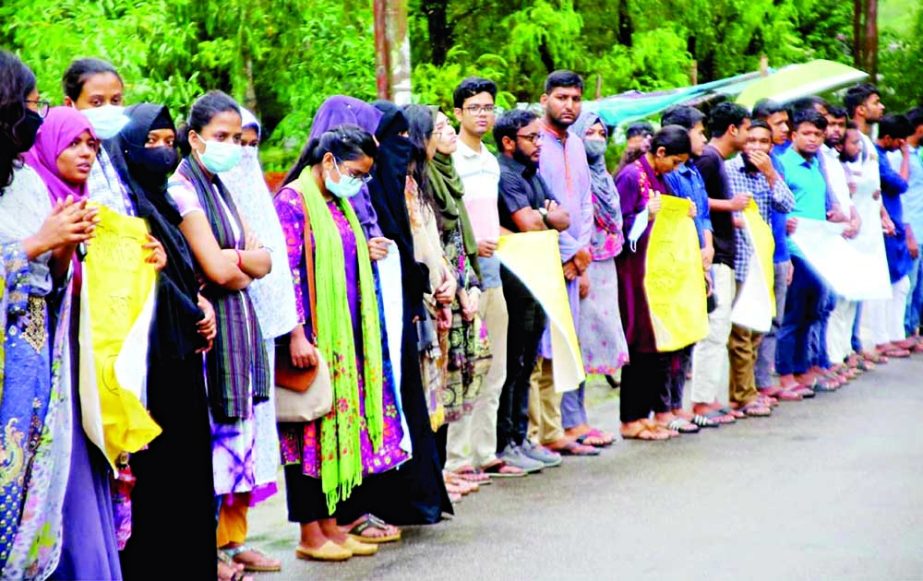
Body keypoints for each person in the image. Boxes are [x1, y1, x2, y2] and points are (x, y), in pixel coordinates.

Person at [274, 125, 409, 561]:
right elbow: (287, 272)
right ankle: (309, 536)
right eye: (356, 172)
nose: (360, 182)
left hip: (345, 337)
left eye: (366, 176)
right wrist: (296, 333)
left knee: (334, 429)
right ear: (328, 161)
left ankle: (331, 527)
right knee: (308, 433)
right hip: (312, 338)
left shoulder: (338, 203)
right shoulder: (293, 202)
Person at [167, 91, 279, 573]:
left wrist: (234, 261)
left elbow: (265, 260)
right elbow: (214, 266)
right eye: (220, 137)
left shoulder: (223, 186)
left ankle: (230, 542)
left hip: (238, 325)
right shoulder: (183, 188)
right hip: (211, 335)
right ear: (193, 138)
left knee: (236, 440)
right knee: (214, 443)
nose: (232, 146)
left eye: (237, 138)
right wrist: (237, 259)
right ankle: (207, 550)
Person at [108, 103, 220, 580]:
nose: (161, 150)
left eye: (167, 141)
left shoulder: (164, 202)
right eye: (149, 141)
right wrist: (191, 306)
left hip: (181, 353)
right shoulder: (122, 206)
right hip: (148, 360)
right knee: (159, 479)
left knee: (189, 470)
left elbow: (178, 269)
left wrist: (199, 302)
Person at [0, 52, 98, 580]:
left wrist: (64, 242)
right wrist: (39, 242)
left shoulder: (24, 181)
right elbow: (25, 249)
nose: (33, 117)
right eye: (29, 104)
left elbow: (51, 281)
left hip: (36, 360)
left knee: (35, 475)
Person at [22, 106, 123, 580]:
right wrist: (59, 245)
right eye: (74, 143)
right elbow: (49, 286)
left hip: (86, 361)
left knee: (90, 477)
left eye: (92, 145)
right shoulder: (34, 199)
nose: (85, 153)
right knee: (67, 482)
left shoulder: (85, 204)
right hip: (50, 365)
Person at [358, 100, 453, 525]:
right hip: (383, 313)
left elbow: (420, 244)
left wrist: (433, 282)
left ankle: (422, 491)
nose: (399, 149)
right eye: (390, 139)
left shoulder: (406, 182)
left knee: (419, 400)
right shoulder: (365, 186)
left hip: (413, 302)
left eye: (402, 139)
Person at [220, 107, 295, 514]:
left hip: (260, 329)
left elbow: (269, 261)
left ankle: (237, 538)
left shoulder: (256, 194)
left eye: (250, 145)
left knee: (254, 429)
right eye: (233, 142)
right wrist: (247, 258)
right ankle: (220, 543)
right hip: (225, 327)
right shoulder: (199, 193)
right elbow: (229, 261)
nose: (244, 154)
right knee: (228, 431)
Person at [449, 78, 522, 476]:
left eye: (488, 107)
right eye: (474, 107)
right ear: (458, 113)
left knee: (497, 367)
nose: (483, 114)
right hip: (464, 277)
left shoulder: (491, 160)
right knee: (467, 368)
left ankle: (485, 452)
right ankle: (458, 460)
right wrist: (474, 245)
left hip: (493, 274)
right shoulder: (451, 158)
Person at [494, 108, 571, 469]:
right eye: (531, 137)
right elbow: (528, 224)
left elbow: (565, 218)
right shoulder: (503, 173)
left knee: (528, 360)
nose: (539, 143)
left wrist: (546, 218)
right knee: (512, 362)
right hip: (513, 279)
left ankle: (521, 437)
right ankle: (504, 442)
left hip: (538, 276)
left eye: (539, 136)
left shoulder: (533, 173)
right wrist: (546, 216)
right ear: (509, 142)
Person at [533, 70, 598, 458]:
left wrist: (583, 253)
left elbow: (585, 202)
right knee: (542, 347)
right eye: (561, 97)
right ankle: (544, 432)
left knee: (564, 345)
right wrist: (569, 252)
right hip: (545, 258)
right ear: (545, 100)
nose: (568, 105)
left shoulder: (576, 144)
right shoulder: (534, 142)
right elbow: (541, 206)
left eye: (575, 99)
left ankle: (560, 427)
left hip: (576, 261)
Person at [427, 108, 493, 489]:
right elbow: (436, 245)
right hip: (441, 291)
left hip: (462, 285)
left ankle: (447, 468)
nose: (450, 134)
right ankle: (445, 467)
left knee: (465, 372)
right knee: (441, 381)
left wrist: (470, 286)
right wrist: (455, 286)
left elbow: (459, 243)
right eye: (440, 129)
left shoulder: (451, 178)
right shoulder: (424, 181)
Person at [615, 125, 694, 440]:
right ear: (660, 152)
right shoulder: (631, 177)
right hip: (634, 272)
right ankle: (630, 419)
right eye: (674, 162)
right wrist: (643, 215)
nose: (676, 169)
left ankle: (646, 414)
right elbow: (616, 226)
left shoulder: (661, 178)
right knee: (640, 343)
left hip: (659, 273)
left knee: (657, 343)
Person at [725, 119, 795, 415]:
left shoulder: (769, 173)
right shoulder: (728, 170)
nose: (755, 147)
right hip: (738, 257)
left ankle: (748, 389)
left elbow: (786, 205)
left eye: (762, 142)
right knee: (740, 332)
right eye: (750, 140)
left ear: (772, 145)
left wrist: (770, 175)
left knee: (756, 329)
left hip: (762, 259)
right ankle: (743, 394)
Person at [690, 101, 751, 424]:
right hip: (713, 254)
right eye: (746, 127)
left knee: (720, 326)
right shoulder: (710, 159)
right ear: (733, 129)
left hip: (724, 252)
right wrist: (730, 205)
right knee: (713, 329)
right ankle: (701, 401)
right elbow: (692, 199)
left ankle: (707, 397)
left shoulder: (717, 159)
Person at [570, 110, 627, 444]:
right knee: (576, 345)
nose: (595, 138)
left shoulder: (603, 174)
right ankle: (571, 421)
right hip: (583, 265)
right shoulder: (575, 175)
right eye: (587, 132)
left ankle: (581, 419)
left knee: (591, 347)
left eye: (600, 132)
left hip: (606, 265)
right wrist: (582, 267)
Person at [660, 105, 718, 428]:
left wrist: (707, 247)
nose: (704, 138)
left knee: (692, 332)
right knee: (675, 334)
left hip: (699, 256)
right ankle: (668, 405)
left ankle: (679, 403)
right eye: (699, 131)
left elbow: (703, 215)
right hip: (677, 260)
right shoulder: (670, 172)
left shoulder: (694, 171)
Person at [402, 104, 457, 438]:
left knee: (438, 390)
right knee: (423, 393)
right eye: (437, 129)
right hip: (423, 301)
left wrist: (450, 281)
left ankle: (440, 472)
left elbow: (435, 245)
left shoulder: (418, 183)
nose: (444, 134)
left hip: (441, 296)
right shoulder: (398, 187)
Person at [777, 109, 838, 394]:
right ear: (793, 135)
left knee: (812, 313)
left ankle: (803, 370)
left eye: (818, 134)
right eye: (807, 133)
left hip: (819, 251)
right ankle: (785, 374)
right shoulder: (782, 165)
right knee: (792, 315)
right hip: (795, 250)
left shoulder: (816, 165)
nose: (813, 139)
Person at [751, 100, 805, 401]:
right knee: (749, 325)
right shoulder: (738, 165)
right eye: (779, 122)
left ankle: (764, 380)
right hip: (754, 252)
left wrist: (786, 256)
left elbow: (785, 205)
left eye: (787, 122)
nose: (786, 128)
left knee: (775, 319)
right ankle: (749, 385)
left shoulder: (778, 161)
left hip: (779, 252)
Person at [821, 107, 863, 378]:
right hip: (828, 235)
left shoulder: (834, 158)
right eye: (831, 124)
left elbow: (844, 199)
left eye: (840, 124)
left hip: (847, 233)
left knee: (847, 298)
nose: (835, 129)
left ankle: (842, 351)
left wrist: (854, 216)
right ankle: (831, 358)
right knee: (830, 302)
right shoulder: (819, 158)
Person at [869, 115, 913, 357]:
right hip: (885, 226)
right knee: (886, 284)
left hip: (893, 224)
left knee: (900, 283)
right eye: (900, 141)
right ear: (887, 138)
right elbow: (901, 184)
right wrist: (906, 158)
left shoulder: (882, 156)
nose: (902, 145)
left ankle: (894, 334)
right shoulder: (877, 158)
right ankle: (881, 338)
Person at [889, 107, 923, 344]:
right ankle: (901, 330)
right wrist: (909, 233)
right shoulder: (899, 156)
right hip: (911, 227)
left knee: (917, 286)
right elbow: (901, 194)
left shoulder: (917, 154)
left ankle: (912, 329)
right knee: (906, 284)